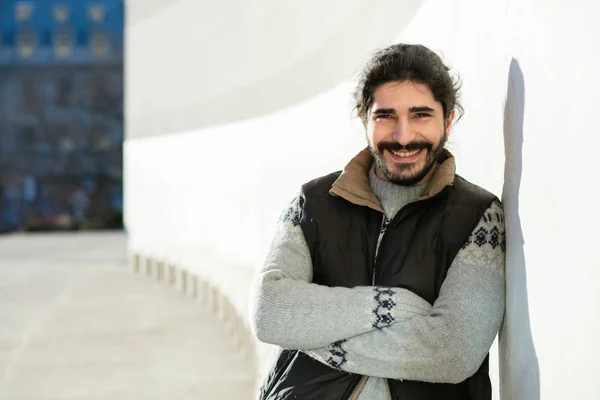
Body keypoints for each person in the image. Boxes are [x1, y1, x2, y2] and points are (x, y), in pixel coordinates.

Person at [250, 43, 506, 400]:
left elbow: (452, 352)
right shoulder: (313, 204)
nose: (403, 137)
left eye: (420, 115)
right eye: (386, 116)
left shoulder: (479, 216)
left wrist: (313, 333)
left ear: (448, 120)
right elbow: (269, 312)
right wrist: (390, 305)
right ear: (364, 118)